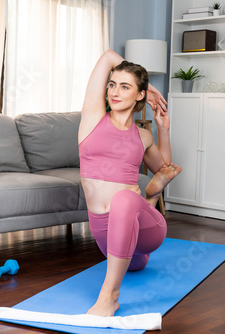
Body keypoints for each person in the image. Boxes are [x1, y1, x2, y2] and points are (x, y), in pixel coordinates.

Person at [78, 49, 182, 317]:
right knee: (136, 264)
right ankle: (148, 198)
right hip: (108, 234)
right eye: (112, 85)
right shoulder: (93, 118)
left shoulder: (143, 136)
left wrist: (164, 130)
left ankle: (109, 297)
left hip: (150, 230)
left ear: (138, 95)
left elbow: (163, 168)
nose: (114, 92)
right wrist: (152, 88)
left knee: (123, 199)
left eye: (125, 87)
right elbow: (107, 57)